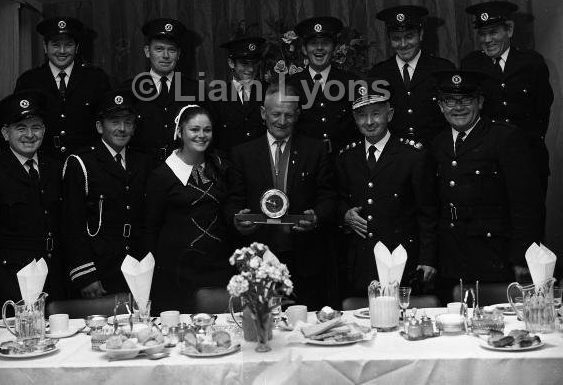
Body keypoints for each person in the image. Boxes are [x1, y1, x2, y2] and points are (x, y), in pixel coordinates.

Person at [430, 70, 544, 299]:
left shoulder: (505, 137)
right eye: (450, 101)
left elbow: (527, 204)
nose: (458, 107)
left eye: (466, 100)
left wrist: (522, 257)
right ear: (441, 106)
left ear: (480, 102)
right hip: (452, 258)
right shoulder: (437, 143)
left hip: (495, 256)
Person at [227, 83, 336, 310]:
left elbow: (328, 197)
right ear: (263, 113)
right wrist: (237, 219)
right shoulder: (242, 153)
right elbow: (232, 200)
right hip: (259, 258)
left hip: (305, 257)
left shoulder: (315, 150)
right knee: (264, 324)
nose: (282, 121)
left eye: (288, 115)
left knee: (305, 324)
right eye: (276, 114)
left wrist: (317, 217)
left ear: (297, 115)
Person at [336, 77, 438, 295]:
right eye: (362, 115)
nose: (369, 121)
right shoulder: (347, 156)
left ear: (389, 114)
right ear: (354, 118)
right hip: (362, 259)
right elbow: (339, 197)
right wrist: (345, 214)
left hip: (402, 258)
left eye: (376, 114)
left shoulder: (412, 155)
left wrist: (427, 258)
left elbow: (427, 212)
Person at [0, 91, 64, 308]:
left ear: (44, 131)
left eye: (36, 127)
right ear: (5, 133)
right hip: (7, 283)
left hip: (53, 281)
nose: (30, 135)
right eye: (21, 128)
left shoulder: (55, 168)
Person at [461, 1, 553, 199]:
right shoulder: (471, 64)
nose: (487, 40)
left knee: (530, 221)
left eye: (493, 32)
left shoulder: (531, 62)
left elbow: (542, 110)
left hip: (528, 157)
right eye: (482, 34)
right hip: (487, 161)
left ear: (509, 30)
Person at [144, 105, 232, 313]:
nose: (201, 135)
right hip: (177, 273)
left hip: (218, 268)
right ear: (180, 131)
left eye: (207, 130)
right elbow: (150, 228)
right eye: (194, 129)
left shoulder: (220, 168)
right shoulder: (162, 175)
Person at [62, 89, 149, 298]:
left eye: (128, 122)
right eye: (114, 122)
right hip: (99, 269)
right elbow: (70, 224)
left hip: (137, 268)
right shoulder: (81, 162)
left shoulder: (144, 162)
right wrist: (85, 274)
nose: (122, 129)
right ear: (100, 126)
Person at [14, 17, 111, 159]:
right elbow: (18, 123)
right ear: (45, 47)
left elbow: (106, 121)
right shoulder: (28, 80)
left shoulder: (96, 79)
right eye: (55, 45)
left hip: (87, 160)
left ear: (77, 48)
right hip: (43, 159)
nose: (62, 51)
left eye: (69, 45)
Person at [372, 5, 454, 147]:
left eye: (409, 36)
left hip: (435, 151)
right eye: (396, 38)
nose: (403, 44)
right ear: (389, 39)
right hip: (395, 155)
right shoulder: (379, 73)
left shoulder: (442, 69)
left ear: (420, 34)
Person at [129, 18, 200, 166]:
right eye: (159, 49)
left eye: (172, 50)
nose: (165, 56)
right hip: (143, 171)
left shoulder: (193, 89)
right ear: (147, 51)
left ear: (179, 54)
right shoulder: (130, 89)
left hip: (184, 169)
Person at [289, 16, 359, 154]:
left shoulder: (352, 83)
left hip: (343, 162)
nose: (319, 48)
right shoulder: (290, 85)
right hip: (305, 162)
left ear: (334, 48)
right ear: (304, 48)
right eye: (313, 43)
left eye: (325, 43)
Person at [207, 37, 267, 154]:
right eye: (244, 63)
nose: (250, 69)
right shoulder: (216, 97)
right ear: (231, 63)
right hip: (230, 167)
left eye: (254, 63)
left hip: (263, 165)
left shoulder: (270, 92)